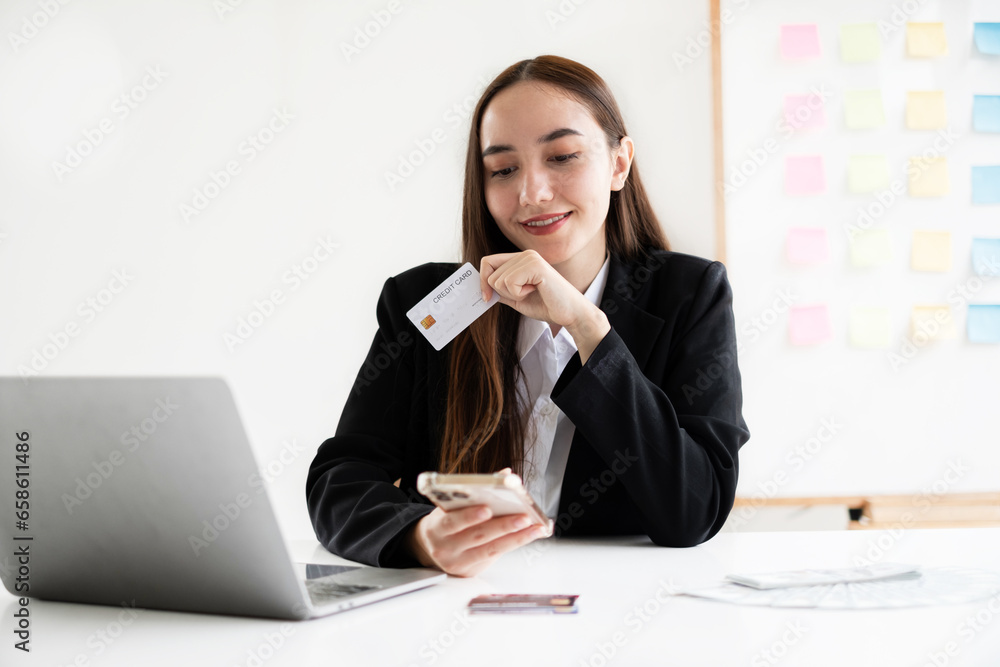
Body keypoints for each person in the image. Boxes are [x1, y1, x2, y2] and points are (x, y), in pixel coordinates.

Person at [306, 55, 750, 577]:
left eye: (562, 156)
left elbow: (694, 509)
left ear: (618, 163)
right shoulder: (428, 301)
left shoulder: (689, 295)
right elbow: (341, 481)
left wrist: (589, 330)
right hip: (455, 618)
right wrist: (419, 536)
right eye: (503, 169)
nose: (532, 193)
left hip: (620, 610)